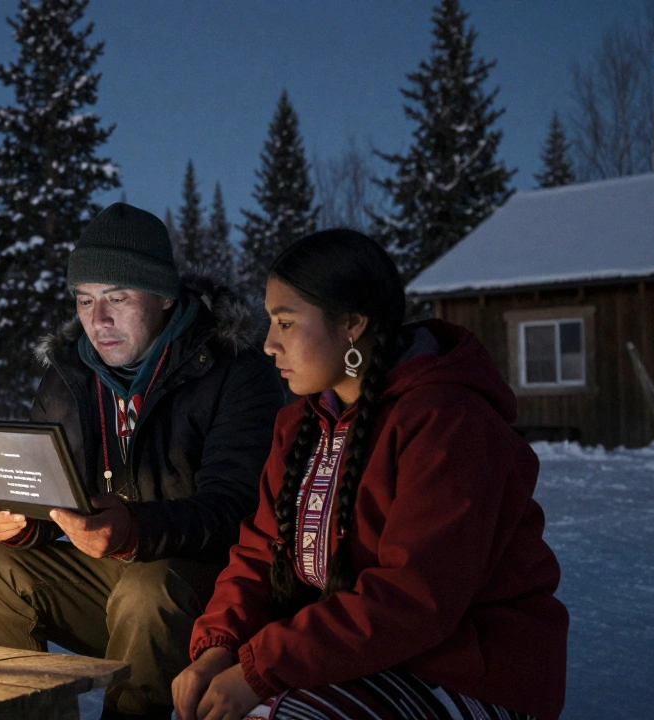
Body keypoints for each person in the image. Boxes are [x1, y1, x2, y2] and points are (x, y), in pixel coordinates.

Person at [174, 229, 568, 720]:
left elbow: (414, 595)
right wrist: (220, 648)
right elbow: (258, 554)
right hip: (350, 659)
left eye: (287, 322)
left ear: (353, 325)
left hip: (467, 670)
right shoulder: (298, 425)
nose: (269, 343)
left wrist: (262, 668)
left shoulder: (448, 423)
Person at [0, 203, 285, 720]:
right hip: (109, 577)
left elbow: (238, 507)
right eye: (85, 300)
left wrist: (136, 530)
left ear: (164, 297)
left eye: (118, 298)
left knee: (146, 588)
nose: (98, 319)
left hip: (206, 591)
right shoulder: (68, 376)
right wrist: (19, 523)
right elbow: (54, 500)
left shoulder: (231, 369)